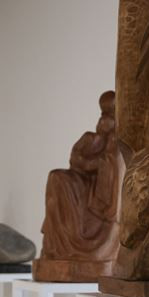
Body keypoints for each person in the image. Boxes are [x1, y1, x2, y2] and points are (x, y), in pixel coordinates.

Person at [40, 91, 122, 264]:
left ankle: (75, 241)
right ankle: (57, 244)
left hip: (98, 187)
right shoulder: (90, 138)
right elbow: (75, 159)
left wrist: (97, 163)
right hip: (81, 179)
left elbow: (112, 165)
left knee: (58, 179)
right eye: (103, 116)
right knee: (56, 178)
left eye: (109, 116)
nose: (104, 122)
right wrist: (91, 163)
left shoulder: (118, 141)